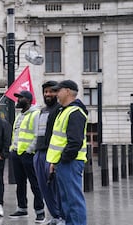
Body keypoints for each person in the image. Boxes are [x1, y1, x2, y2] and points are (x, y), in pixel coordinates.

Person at [47, 80, 88, 225]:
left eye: (59, 90)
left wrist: (63, 159)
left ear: (68, 91)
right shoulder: (64, 111)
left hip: (70, 162)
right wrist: (54, 162)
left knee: (73, 200)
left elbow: (75, 142)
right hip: (63, 163)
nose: (56, 94)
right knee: (66, 200)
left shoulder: (75, 112)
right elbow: (60, 141)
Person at [9, 90, 45, 223]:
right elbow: (16, 134)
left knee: (35, 184)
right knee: (20, 184)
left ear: (28, 100)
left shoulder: (36, 114)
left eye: (20, 98)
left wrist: (29, 150)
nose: (18, 100)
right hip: (17, 154)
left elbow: (37, 135)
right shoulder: (20, 116)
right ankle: (22, 208)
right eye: (18, 98)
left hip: (29, 155)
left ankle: (40, 211)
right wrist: (13, 148)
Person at [33, 81, 65, 225]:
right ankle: (54, 216)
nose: (48, 94)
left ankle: (61, 216)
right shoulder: (43, 110)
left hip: (51, 154)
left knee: (55, 187)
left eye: (51, 91)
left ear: (57, 93)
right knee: (44, 188)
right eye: (45, 91)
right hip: (39, 153)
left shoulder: (59, 110)